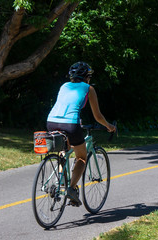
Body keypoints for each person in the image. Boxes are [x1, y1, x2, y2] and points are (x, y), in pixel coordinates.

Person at [47, 61, 116, 206]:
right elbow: (97, 116)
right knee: (82, 157)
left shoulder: (64, 86)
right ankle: (71, 188)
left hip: (51, 121)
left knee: (63, 151)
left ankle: (60, 179)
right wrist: (109, 126)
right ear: (87, 77)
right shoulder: (88, 88)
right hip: (71, 124)